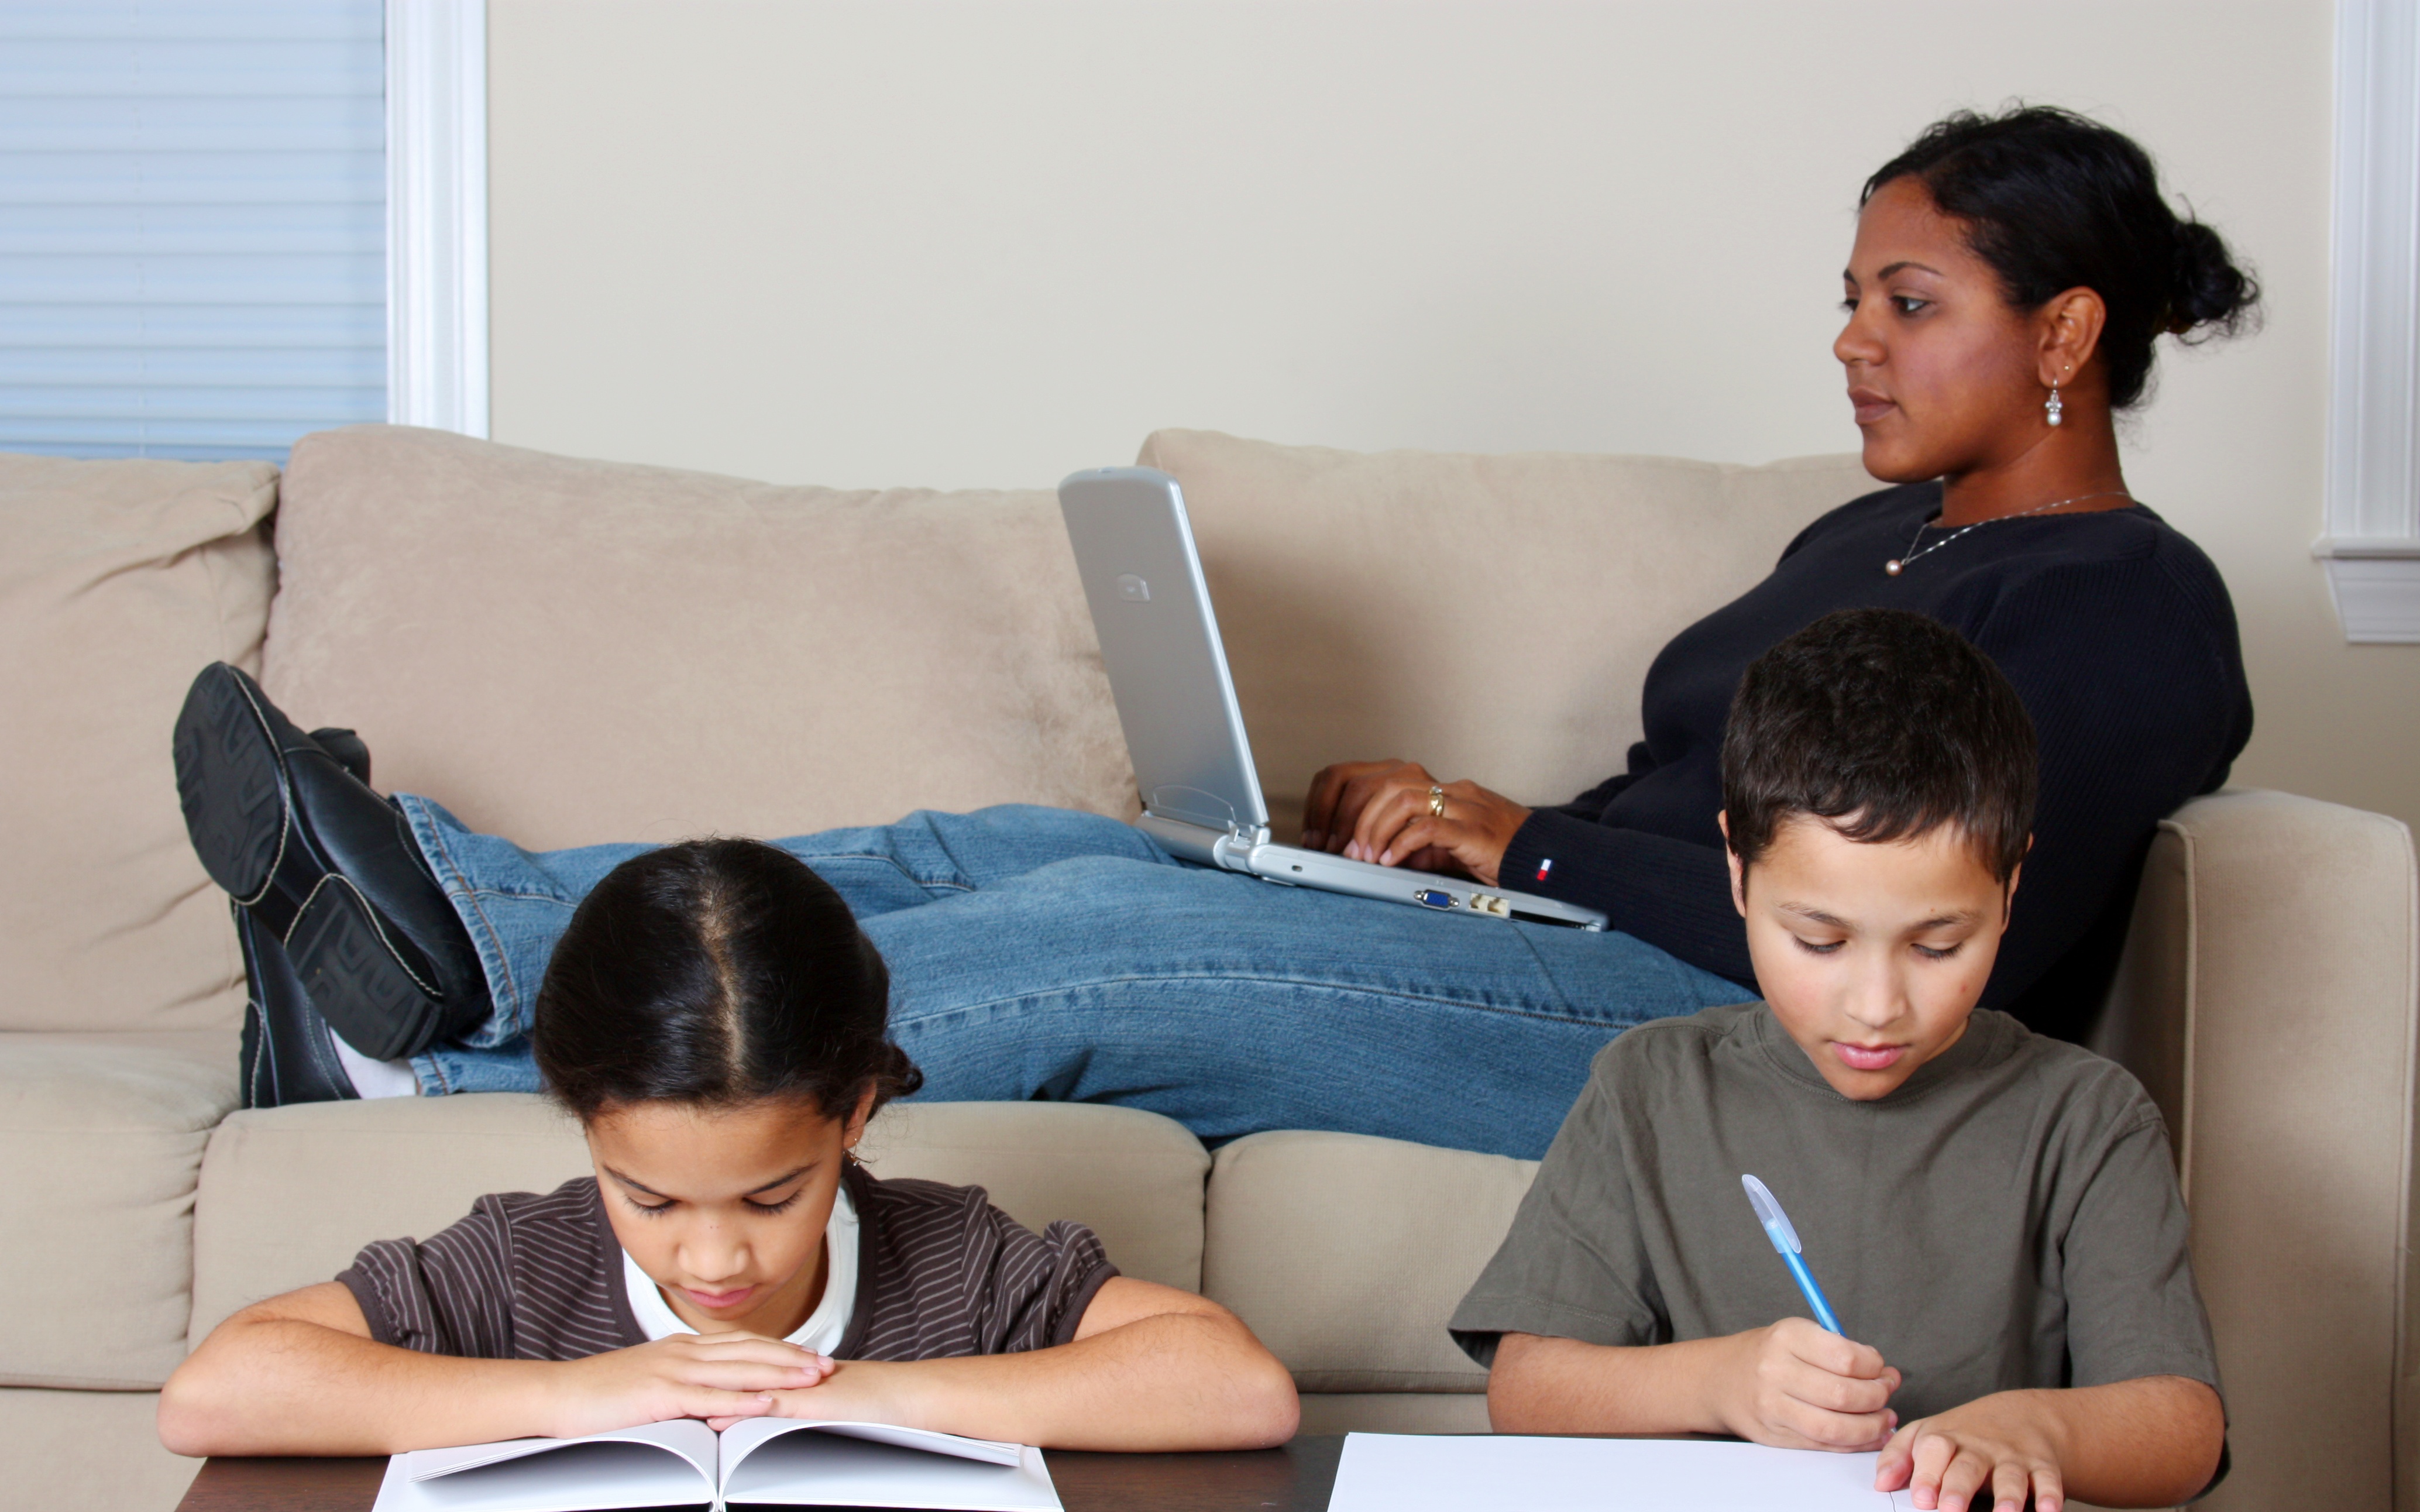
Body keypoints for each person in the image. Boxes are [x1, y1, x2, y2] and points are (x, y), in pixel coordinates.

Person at [171, 104, 2255, 1161]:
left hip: (1741, 1060)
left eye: (1910, 301)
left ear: (2062, 333)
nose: (1854, 337)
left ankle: (439, 1080)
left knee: (1132, 960)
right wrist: (1470, 850)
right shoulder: (1874, 534)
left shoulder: (2127, 605)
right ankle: (494, 918)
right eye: (1854, 290)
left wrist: (1513, 840)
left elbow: (1891, 913)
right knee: (1012, 845)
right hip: (1570, 951)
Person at [156, 839, 1301, 1458]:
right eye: (646, 1198)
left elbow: (1239, 1388)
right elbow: (214, 1394)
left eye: (771, 1195)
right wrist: (581, 1394)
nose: (712, 1260)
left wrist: (866, 1396)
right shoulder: (525, 1261)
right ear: (587, 1130)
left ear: (853, 1114)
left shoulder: (951, 1257)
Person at [1450, 609, 2225, 1512]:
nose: (1876, 1005)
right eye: (1819, 940)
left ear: (2011, 888)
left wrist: (2035, 1432)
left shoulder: (2088, 1118)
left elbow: (2182, 1428)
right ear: (1738, 872)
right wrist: (1718, 1383)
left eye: (1938, 946)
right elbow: (1528, 1390)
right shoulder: (1650, 1087)